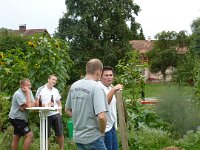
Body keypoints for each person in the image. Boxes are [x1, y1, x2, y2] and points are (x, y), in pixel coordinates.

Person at [65, 58, 108, 150]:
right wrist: (102, 132)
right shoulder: (96, 88)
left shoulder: (74, 86)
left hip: (78, 137)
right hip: (93, 137)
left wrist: (80, 117)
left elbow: (67, 109)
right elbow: (101, 117)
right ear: (99, 71)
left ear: (87, 70)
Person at [35, 74, 64, 150]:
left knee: (60, 134)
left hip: (56, 114)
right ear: (48, 79)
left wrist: (60, 113)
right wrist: (46, 105)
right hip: (45, 115)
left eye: (55, 80)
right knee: (46, 135)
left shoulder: (55, 90)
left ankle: (61, 149)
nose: (54, 81)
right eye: (53, 79)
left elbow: (59, 102)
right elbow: (37, 103)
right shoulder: (41, 89)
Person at [99, 66, 123, 150]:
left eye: (111, 75)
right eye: (106, 75)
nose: (109, 77)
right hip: (104, 127)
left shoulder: (110, 87)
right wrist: (113, 90)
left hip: (112, 125)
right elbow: (104, 104)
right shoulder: (99, 87)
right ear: (100, 77)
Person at [9, 78, 35, 150]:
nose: (30, 86)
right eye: (28, 85)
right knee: (30, 135)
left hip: (21, 118)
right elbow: (30, 105)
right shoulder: (18, 94)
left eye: (30, 85)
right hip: (16, 118)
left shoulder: (29, 91)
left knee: (17, 137)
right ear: (22, 87)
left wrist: (26, 105)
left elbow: (33, 103)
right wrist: (27, 94)